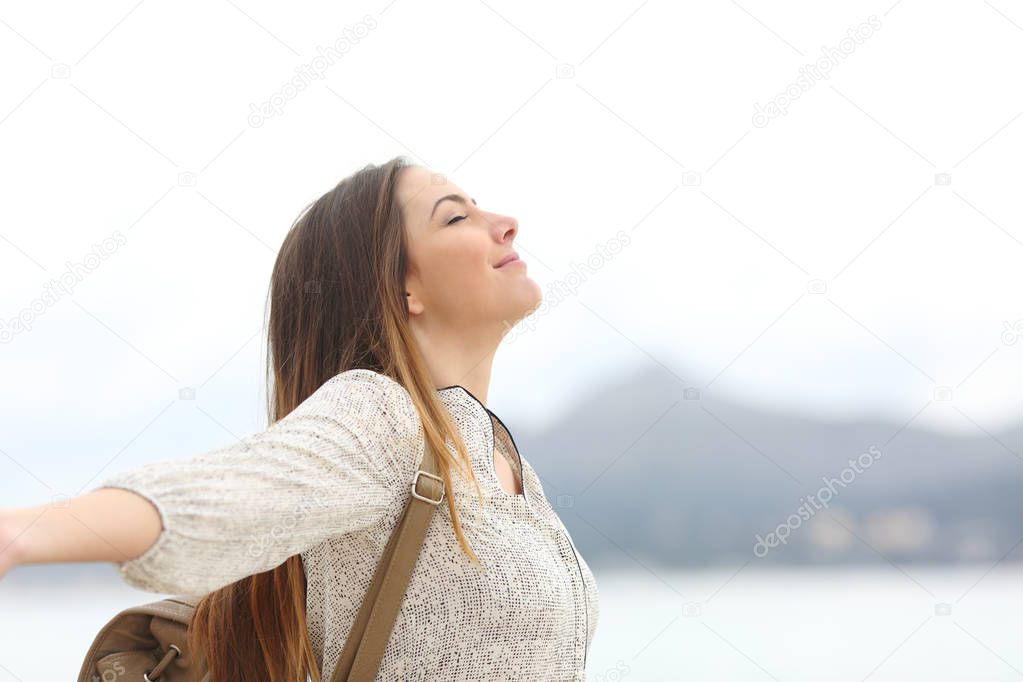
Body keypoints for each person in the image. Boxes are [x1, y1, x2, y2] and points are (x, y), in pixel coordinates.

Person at [0, 156, 600, 681]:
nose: (505, 222)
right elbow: (227, 495)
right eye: (455, 217)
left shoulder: (499, 454)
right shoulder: (384, 417)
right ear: (402, 287)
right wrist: (19, 536)